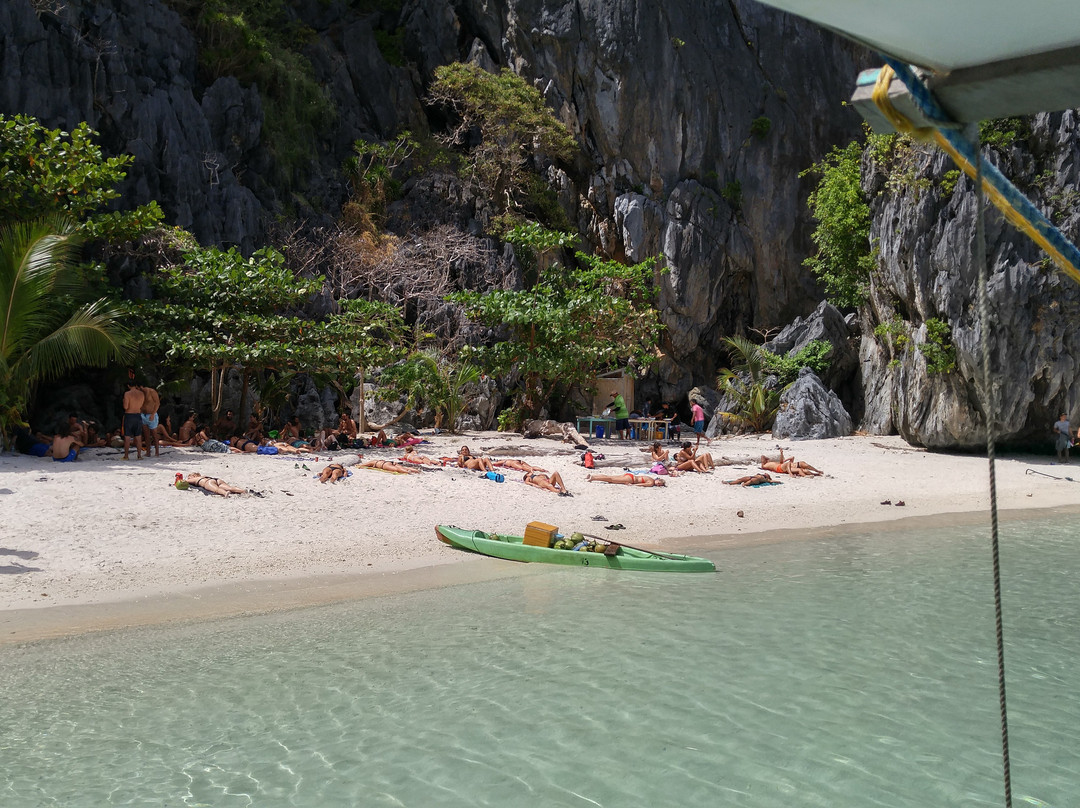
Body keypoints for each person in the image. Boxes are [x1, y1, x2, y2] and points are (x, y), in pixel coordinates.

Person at [121, 380, 145, 460]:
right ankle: (139, 455)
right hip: (138, 415)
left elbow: (126, 407)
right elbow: (141, 406)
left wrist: (124, 401)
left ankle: (126, 456)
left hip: (129, 415)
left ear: (128, 386)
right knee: (138, 436)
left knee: (127, 436)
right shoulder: (141, 394)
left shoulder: (127, 394)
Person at [140, 383, 162, 457]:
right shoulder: (140, 393)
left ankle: (157, 452)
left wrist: (153, 414)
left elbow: (157, 403)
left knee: (154, 434)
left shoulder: (151, 391)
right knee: (146, 435)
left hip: (151, 414)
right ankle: (148, 452)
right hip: (143, 414)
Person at [586, 472, 666, 487]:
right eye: (659, 483)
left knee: (610, 477)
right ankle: (593, 478)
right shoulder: (651, 482)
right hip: (631, 479)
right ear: (659, 480)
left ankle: (593, 475)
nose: (658, 484)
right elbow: (643, 484)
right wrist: (633, 485)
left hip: (630, 475)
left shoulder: (650, 478)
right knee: (610, 479)